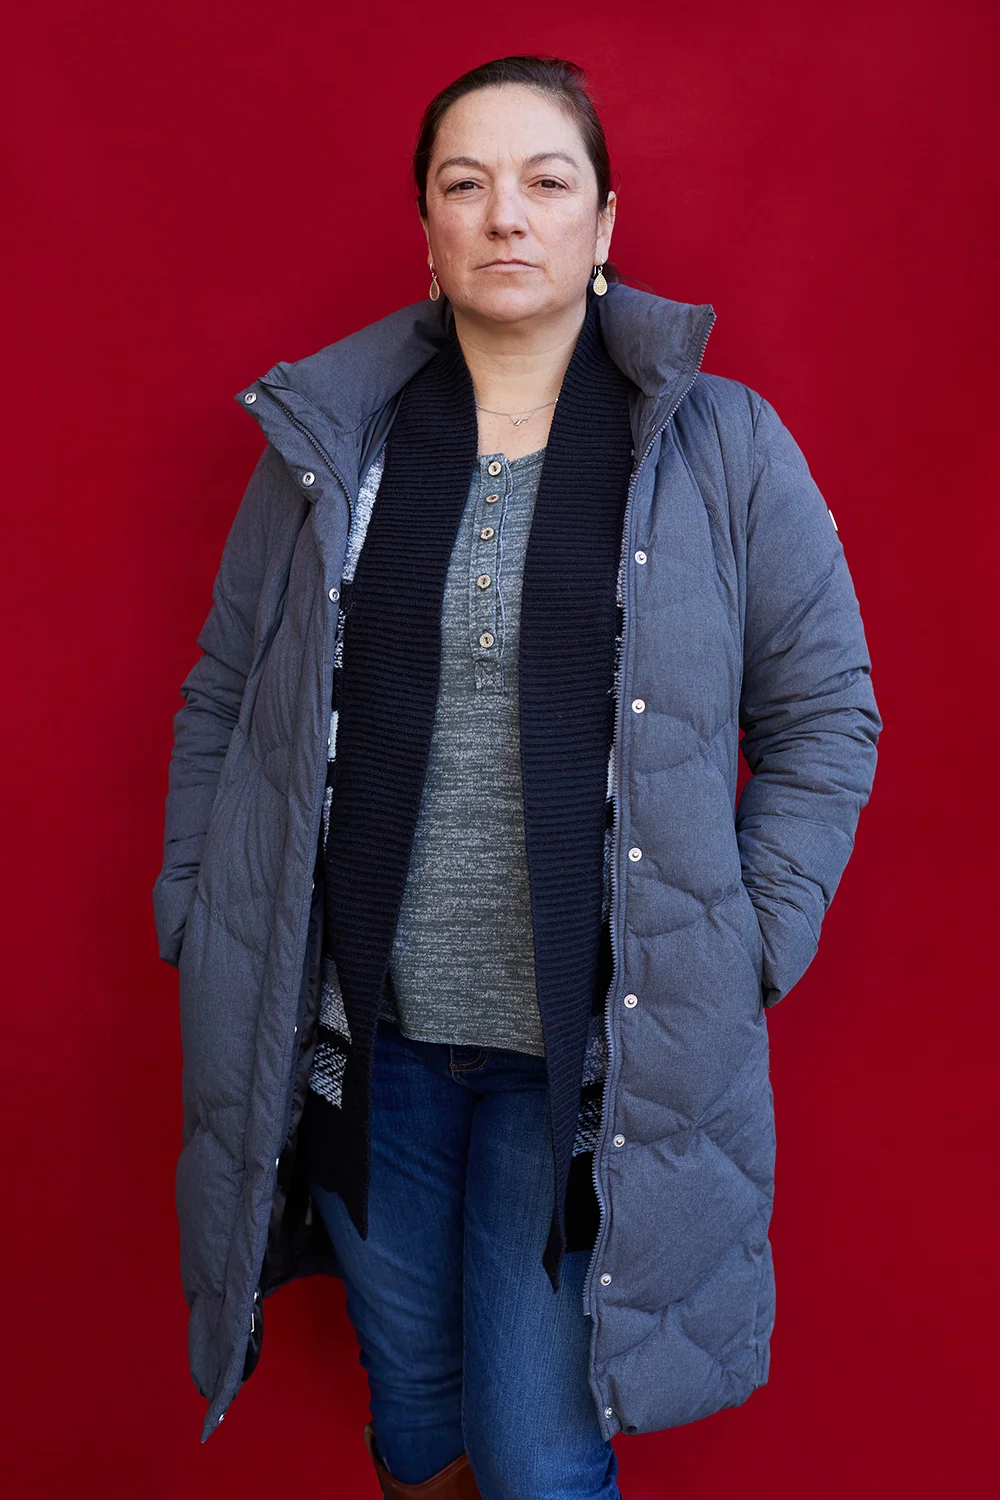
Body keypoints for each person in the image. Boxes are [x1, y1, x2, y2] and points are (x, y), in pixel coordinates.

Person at [153, 53, 882, 1500]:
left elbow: (825, 713)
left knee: (539, 1457)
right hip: (364, 1038)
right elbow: (226, 694)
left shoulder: (723, 447)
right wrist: (199, 911)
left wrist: (750, 937)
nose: (505, 214)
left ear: (603, 224)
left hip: (594, 1060)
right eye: (464, 183)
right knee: (419, 1413)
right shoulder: (332, 448)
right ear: (426, 228)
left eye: (547, 182)